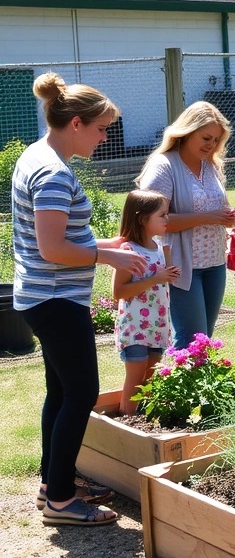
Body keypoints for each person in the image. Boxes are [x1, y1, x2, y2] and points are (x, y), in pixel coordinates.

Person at [13, 72, 147, 526]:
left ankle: (56, 483)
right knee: (82, 393)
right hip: (54, 299)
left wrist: (106, 244)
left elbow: (58, 235)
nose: (105, 136)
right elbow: (53, 249)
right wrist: (106, 256)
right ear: (74, 123)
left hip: (42, 295)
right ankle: (61, 503)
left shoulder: (38, 154)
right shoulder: (51, 170)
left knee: (61, 391)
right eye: (101, 128)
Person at [137, 101, 235, 350]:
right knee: (191, 340)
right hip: (181, 267)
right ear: (186, 131)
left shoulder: (212, 165)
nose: (211, 145)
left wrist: (230, 216)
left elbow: (218, 207)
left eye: (216, 140)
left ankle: (194, 388)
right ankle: (178, 388)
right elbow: (151, 222)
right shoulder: (163, 166)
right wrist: (210, 217)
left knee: (203, 340)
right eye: (206, 138)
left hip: (214, 264)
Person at [112, 190, 180, 415]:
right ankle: (127, 422)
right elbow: (119, 292)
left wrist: (168, 275)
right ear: (143, 219)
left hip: (157, 325)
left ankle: (143, 420)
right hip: (135, 328)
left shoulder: (160, 248)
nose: (167, 219)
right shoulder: (129, 251)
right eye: (162, 215)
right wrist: (156, 278)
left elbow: (162, 284)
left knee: (150, 376)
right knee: (135, 377)